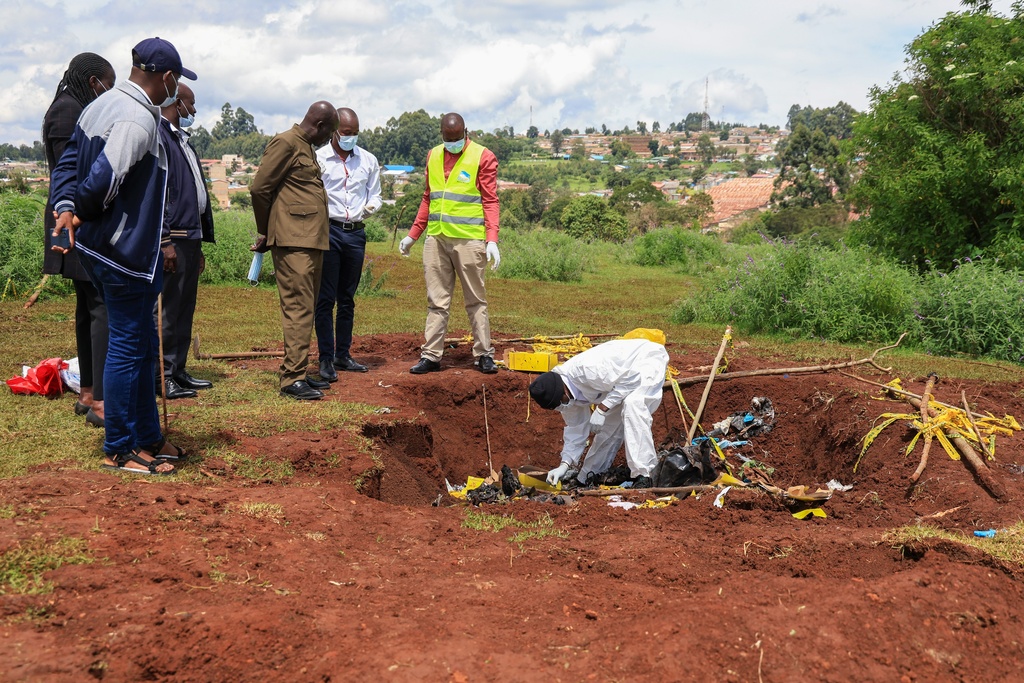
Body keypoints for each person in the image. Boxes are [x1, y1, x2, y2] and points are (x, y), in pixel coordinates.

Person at [50, 37, 197, 475]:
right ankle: (119, 446)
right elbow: (99, 181)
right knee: (129, 345)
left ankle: (147, 436)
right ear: (167, 77)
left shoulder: (102, 104)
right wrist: (84, 208)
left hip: (106, 248)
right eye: (177, 80)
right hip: (124, 252)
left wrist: (65, 206)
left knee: (139, 344)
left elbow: (68, 165)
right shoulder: (137, 119)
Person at [42, 52, 115, 428]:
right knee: (98, 305)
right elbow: (71, 174)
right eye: (108, 85)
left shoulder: (68, 106)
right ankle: (99, 399)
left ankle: (89, 392)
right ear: (93, 83)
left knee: (89, 307)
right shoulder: (69, 112)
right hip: (72, 221)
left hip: (71, 220)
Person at [250, 102, 340, 400]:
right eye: (330, 133)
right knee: (298, 308)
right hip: (293, 241)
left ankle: (298, 370)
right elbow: (260, 188)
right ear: (320, 125)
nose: (330, 140)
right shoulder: (287, 142)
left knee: (306, 307)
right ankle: (291, 380)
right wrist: (267, 230)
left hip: (309, 241)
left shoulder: (305, 147)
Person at [398, 112, 500, 375]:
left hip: (468, 240)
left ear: (466, 132)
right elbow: (427, 198)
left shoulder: (482, 156)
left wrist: (491, 239)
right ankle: (431, 355)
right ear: (441, 134)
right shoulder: (433, 155)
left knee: (475, 300)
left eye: (457, 138)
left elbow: (490, 200)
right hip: (437, 238)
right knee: (436, 301)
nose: (453, 143)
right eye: (448, 138)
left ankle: (484, 354)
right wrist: (413, 235)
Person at [528, 339, 670, 489]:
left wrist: (602, 408)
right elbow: (575, 431)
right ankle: (588, 476)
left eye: (560, 403)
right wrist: (564, 465)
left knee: (633, 404)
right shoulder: (566, 400)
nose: (562, 408)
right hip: (619, 382)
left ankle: (645, 474)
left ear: (563, 390)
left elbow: (632, 380)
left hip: (644, 361)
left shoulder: (588, 370)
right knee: (608, 427)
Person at [313, 107, 381, 382]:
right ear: (334, 132)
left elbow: (375, 195)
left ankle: (343, 353)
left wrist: (370, 208)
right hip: (328, 231)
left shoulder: (367, 160)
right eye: (346, 133)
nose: (350, 138)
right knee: (325, 298)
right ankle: (326, 358)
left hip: (355, 233)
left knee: (347, 299)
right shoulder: (318, 158)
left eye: (355, 134)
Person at [156, 82, 215, 400]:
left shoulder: (184, 142)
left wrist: (200, 242)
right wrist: (164, 241)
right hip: (173, 237)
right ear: (177, 103)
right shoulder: (161, 138)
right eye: (190, 105)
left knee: (184, 308)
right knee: (166, 310)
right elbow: (160, 193)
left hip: (190, 236)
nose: (193, 111)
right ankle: (162, 376)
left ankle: (178, 369)